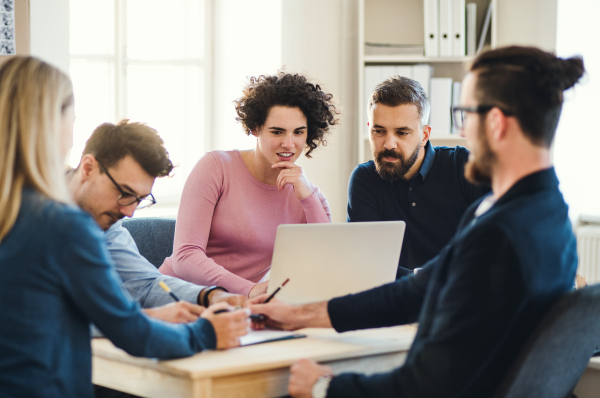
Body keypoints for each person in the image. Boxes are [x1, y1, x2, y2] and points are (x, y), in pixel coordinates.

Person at [250, 46, 583, 397]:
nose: (463, 131)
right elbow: (420, 291)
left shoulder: (501, 236)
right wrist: (298, 315)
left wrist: (323, 388)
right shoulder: (546, 212)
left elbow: (427, 384)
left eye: (464, 113)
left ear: (496, 123)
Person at [0, 56, 248, 398]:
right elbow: (131, 331)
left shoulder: (18, 212)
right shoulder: (63, 225)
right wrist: (206, 332)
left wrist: (207, 295)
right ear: (51, 125)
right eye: (71, 120)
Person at [159, 71, 338, 298]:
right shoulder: (215, 168)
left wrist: (308, 198)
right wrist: (248, 290)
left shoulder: (311, 196)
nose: (289, 143)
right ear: (255, 128)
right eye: (277, 131)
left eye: (299, 132)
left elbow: (325, 266)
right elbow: (185, 256)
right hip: (180, 296)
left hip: (241, 309)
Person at [67, 120, 245, 324]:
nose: (129, 212)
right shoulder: (33, 212)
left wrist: (210, 296)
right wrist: (148, 317)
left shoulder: (104, 221)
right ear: (88, 168)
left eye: (139, 199)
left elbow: (145, 284)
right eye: (124, 193)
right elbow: (43, 314)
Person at [348, 76, 489, 277]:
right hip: (393, 301)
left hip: (457, 297)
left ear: (424, 135)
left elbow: (498, 245)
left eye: (402, 133)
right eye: (379, 131)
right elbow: (365, 264)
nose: (389, 144)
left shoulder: (463, 165)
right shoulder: (365, 179)